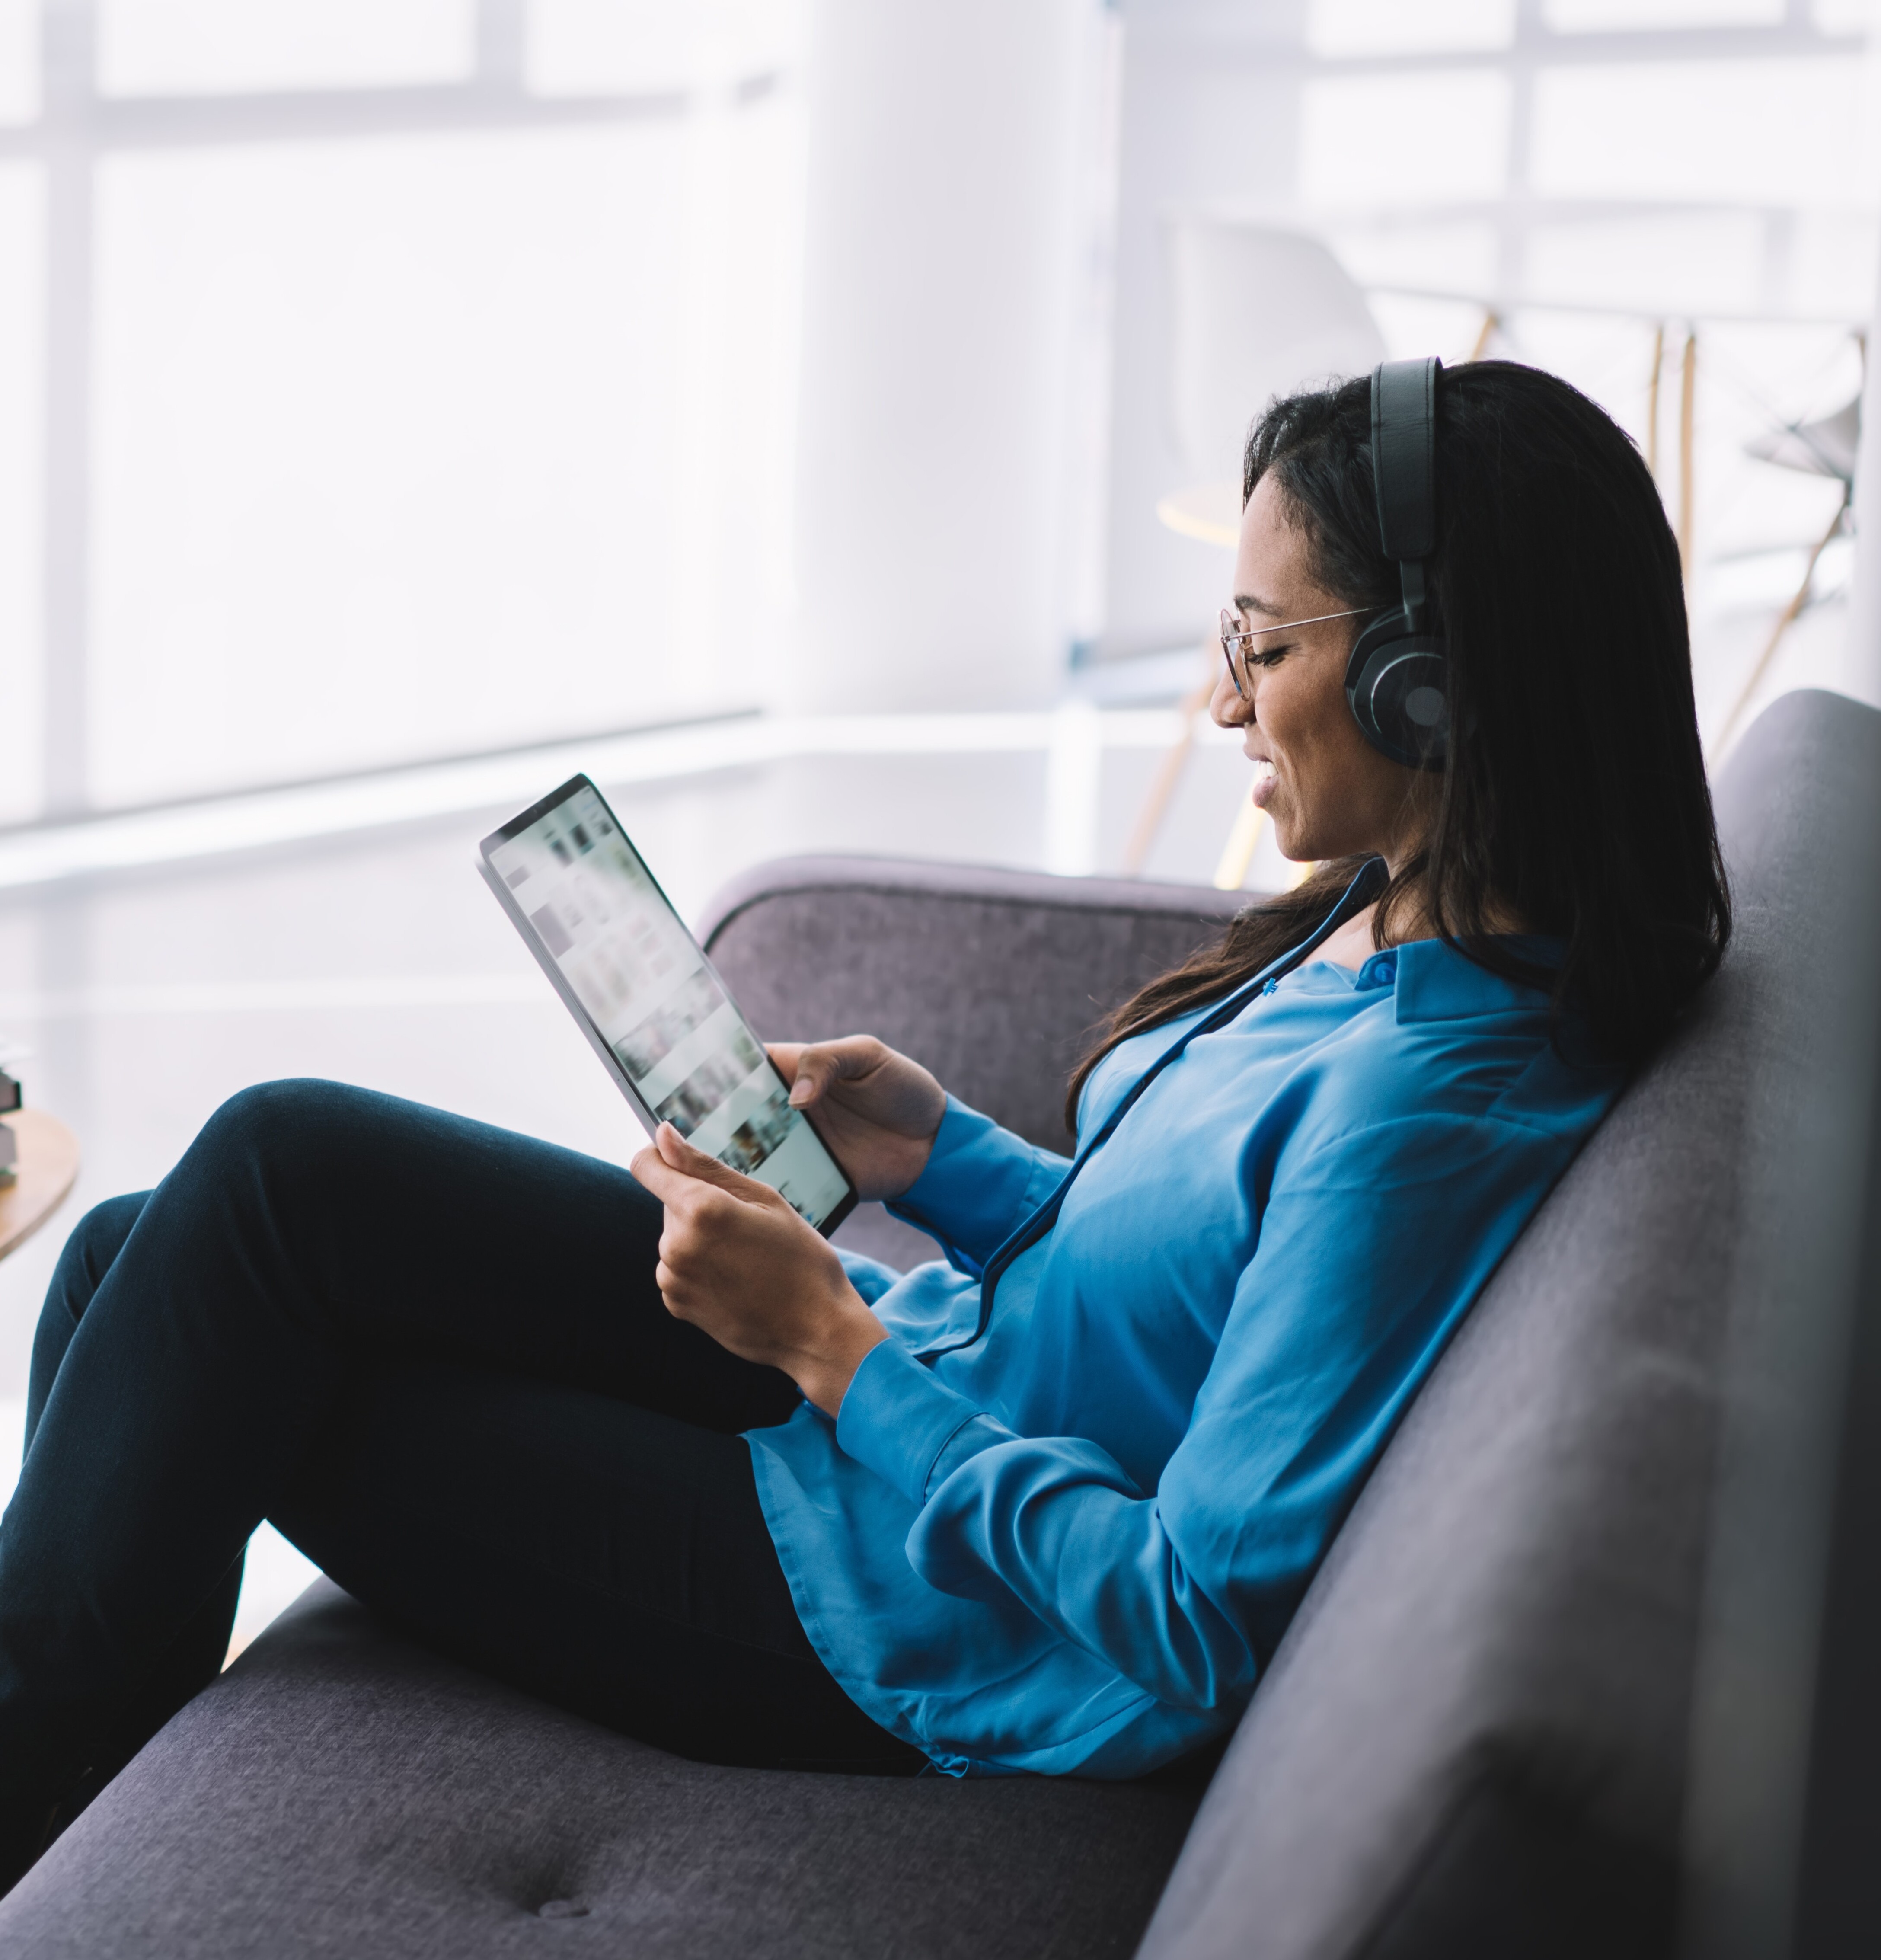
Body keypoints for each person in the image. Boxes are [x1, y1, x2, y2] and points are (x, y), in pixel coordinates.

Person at [0, 359, 1728, 1890]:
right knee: (152, 1242)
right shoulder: (1397, 915)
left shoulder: (1424, 1108)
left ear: (1437, 687)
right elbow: (1205, 1289)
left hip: (898, 1618)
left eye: (1264, 648)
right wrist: (941, 1159)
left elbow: (1194, 1623)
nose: (1220, 703)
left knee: (203, 1271)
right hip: (913, 1408)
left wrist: (829, 1345)